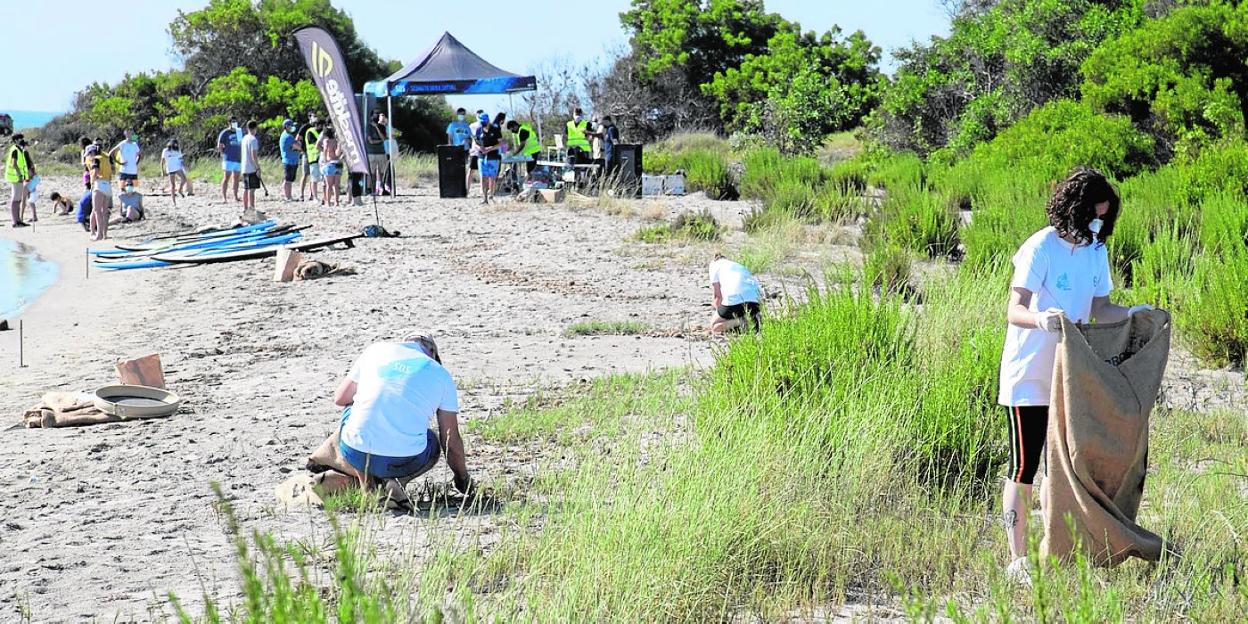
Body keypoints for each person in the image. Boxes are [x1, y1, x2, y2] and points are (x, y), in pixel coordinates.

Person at [996, 168, 1154, 585]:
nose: (1097, 227)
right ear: (1073, 209)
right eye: (1092, 218)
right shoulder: (1041, 246)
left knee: (1066, 467)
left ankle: (1062, 549)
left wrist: (1135, 313)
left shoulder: (1095, 250)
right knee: (1025, 465)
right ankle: (1018, 560)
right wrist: (1041, 320)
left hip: (1071, 376)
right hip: (1029, 375)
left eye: (1103, 220)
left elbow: (1102, 308)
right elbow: (1014, 309)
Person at [321, 333, 474, 497]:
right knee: (434, 443)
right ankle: (397, 482)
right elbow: (451, 438)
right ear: (432, 351)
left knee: (353, 406)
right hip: (407, 459)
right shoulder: (440, 373)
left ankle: (367, 484)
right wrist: (462, 477)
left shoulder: (375, 350)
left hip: (356, 451)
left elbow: (340, 398)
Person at [708, 254, 763, 333]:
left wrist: (719, 313)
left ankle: (742, 321)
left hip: (734, 298)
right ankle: (755, 319)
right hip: (755, 300)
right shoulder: (739, 266)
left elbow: (718, 297)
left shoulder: (714, 266)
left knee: (714, 326)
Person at [84, 143, 116, 241]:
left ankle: (98, 234)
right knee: (105, 212)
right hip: (108, 185)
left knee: (97, 210)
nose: (88, 156)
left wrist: (93, 181)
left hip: (99, 184)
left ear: (91, 152)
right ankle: (105, 234)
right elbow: (112, 172)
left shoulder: (95, 159)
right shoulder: (105, 157)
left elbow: (96, 171)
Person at [5, 133, 32, 227]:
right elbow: (14, 164)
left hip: (19, 178)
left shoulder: (19, 149)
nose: (22, 139)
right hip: (16, 178)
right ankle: (15, 221)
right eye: (20, 138)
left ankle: (18, 220)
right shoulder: (15, 150)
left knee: (18, 199)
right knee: (15, 199)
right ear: (15, 140)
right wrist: (19, 174)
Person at [474, 113, 502, 204]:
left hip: (493, 156)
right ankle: (484, 198)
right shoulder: (478, 130)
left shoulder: (495, 129)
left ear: (488, 120)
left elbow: (501, 143)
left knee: (492, 177)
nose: (483, 124)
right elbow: (475, 143)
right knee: (483, 177)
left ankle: (492, 196)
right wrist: (480, 148)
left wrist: (490, 148)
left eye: (485, 122)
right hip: (482, 156)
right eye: (482, 122)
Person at [217, 116, 243, 203]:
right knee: (226, 178)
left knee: (236, 179)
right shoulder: (225, 132)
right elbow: (220, 145)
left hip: (238, 158)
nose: (234, 123)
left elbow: (241, 143)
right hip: (228, 158)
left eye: (235, 121)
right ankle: (224, 198)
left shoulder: (239, 132)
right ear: (229, 123)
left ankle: (235, 197)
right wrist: (223, 153)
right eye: (232, 121)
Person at [161, 139, 191, 206]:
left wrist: (183, 166)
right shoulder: (165, 151)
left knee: (184, 179)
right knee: (172, 185)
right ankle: (173, 201)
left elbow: (180, 159)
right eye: (174, 144)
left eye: (176, 144)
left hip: (178, 167)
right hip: (170, 168)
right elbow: (162, 161)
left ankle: (180, 190)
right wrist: (162, 171)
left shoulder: (178, 150)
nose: (175, 145)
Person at [240, 120, 261, 215]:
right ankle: (252, 208)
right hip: (251, 168)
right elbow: (254, 156)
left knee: (246, 189)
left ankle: (245, 208)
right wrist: (257, 168)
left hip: (244, 167)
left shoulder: (244, 139)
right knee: (252, 190)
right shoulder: (253, 139)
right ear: (255, 128)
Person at [318, 127, 343, 207]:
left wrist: (325, 159)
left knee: (329, 185)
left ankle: (328, 202)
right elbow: (337, 153)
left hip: (330, 163)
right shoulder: (336, 141)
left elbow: (325, 150)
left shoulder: (326, 141)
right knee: (337, 185)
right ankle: (337, 202)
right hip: (338, 164)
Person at [366, 111, 388, 196]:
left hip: (381, 152)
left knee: (382, 172)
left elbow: (383, 138)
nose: (376, 115)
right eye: (374, 114)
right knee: (372, 173)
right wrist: (379, 141)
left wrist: (377, 128)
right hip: (371, 152)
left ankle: (381, 188)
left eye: (377, 114)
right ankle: (370, 189)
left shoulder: (382, 127)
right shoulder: (368, 127)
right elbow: (371, 141)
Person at [303, 118, 325, 203]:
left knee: (323, 178)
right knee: (314, 178)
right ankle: (315, 197)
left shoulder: (322, 133)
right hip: (313, 158)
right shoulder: (310, 132)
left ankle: (324, 197)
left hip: (322, 158)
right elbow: (315, 143)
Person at [279, 119, 300, 201]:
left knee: (290, 180)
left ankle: (289, 195)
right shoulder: (288, 136)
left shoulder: (286, 136)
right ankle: (287, 196)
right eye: (291, 126)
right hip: (289, 161)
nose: (293, 127)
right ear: (287, 126)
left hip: (291, 160)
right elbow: (297, 146)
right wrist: (299, 145)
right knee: (288, 180)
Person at [466, 109, 485, 196]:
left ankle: (481, 189)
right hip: (475, 151)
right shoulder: (472, 126)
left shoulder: (487, 125)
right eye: (478, 115)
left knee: (482, 171)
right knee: (471, 171)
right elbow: (469, 138)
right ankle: (467, 189)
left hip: (484, 151)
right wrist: (470, 149)